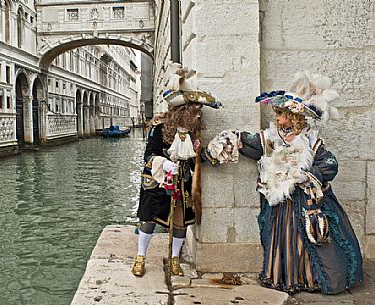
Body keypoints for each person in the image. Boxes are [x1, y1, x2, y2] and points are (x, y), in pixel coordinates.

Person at [205, 72, 363, 294]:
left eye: (282, 114)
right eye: (278, 114)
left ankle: (310, 279)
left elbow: (330, 164)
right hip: (280, 202)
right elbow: (252, 145)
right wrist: (233, 138)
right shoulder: (273, 136)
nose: (278, 118)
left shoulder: (310, 140)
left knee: (307, 238)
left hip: (302, 200)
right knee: (282, 240)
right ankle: (285, 278)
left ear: (293, 117)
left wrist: (306, 176)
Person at [132, 65, 221, 277]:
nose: (198, 117)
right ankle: (140, 257)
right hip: (158, 180)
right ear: (183, 112)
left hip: (182, 184)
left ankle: (174, 259)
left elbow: (195, 160)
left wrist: (214, 153)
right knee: (148, 219)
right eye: (194, 113)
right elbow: (149, 155)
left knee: (181, 222)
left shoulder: (193, 134)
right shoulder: (159, 129)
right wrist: (163, 163)